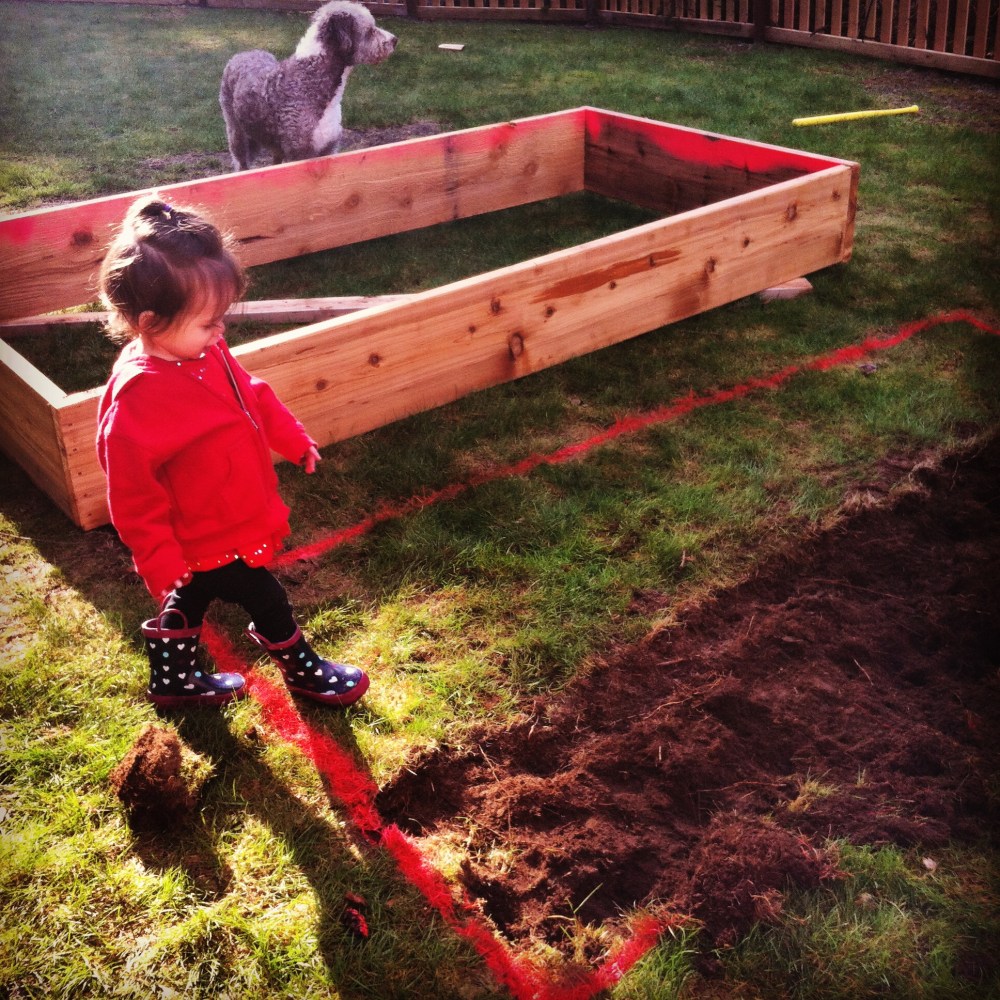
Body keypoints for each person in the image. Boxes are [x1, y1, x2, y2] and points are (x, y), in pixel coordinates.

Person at [95, 195, 369, 709]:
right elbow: (131, 490)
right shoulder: (140, 397)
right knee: (263, 595)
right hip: (204, 530)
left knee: (190, 596)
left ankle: (173, 680)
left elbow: (253, 394)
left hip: (230, 512)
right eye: (208, 321)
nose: (221, 331)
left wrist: (291, 439)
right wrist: (157, 555)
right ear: (151, 323)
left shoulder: (205, 349)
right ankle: (305, 671)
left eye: (221, 317)